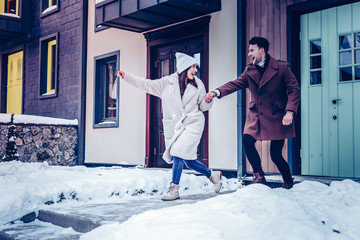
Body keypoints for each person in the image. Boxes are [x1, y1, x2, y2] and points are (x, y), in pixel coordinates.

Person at [117, 52, 222, 201]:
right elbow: (145, 84)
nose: (196, 70)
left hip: (193, 123)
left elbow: (203, 107)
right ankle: (212, 175)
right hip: (176, 126)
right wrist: (126, 76)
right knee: (189, 161)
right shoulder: (166, 83)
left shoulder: (198, 84)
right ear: (185, 68)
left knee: (178, 151)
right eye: (193, 67)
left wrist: (208, 99)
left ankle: (174, 188)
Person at [205, 37, 300, 189]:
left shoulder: (281, 67)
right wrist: (216, 92)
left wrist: (290, 111)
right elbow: (234, 84)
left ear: (261, 50)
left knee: (275, 155)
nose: (249, 54)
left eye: (252, 50)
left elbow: (294, 89)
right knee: (247, 140)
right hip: (257, 114)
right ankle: (259, 175)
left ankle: (288, 180)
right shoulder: (250, 70)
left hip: (278, 115)